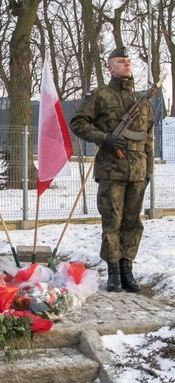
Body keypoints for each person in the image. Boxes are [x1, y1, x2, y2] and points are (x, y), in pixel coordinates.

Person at [70, 46, 154, 293]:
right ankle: (114, 272)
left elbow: (147, 137)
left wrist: (148, 169)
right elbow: (78, 123)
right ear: (110, 67)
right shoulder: (100, 96)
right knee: (112, 221)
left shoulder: (142, 101)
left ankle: (128, 269)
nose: (126, 64)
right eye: (120, 61)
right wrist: (104, 138)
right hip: (111, 169)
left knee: (132, 221)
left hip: (137, 171)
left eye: (128, 61)